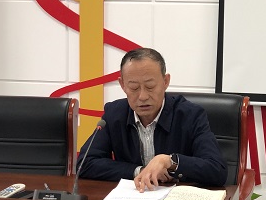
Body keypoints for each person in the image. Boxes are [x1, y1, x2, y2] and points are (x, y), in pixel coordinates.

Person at [77, 47, 227, 192]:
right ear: (122, 85)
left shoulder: (190, 115)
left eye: (150, 86)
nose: (142, 96)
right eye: (134, 88)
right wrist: (141, 171)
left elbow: (217, 170)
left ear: (165, 81)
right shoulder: (114, 114)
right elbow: (85, 164)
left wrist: (170, 162)